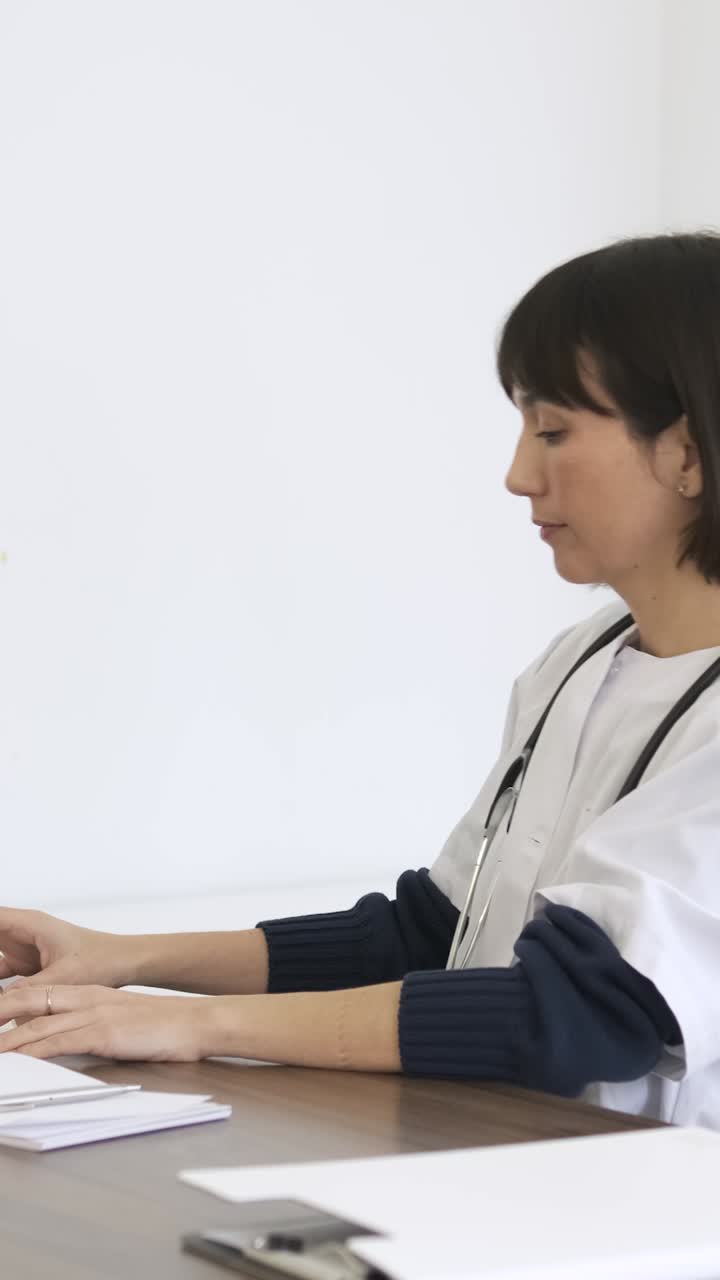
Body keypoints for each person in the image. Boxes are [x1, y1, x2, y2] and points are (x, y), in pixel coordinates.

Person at [2, 229, 720, 1130]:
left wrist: (190, 1024)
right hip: (509, 1161)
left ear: (688, 449)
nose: (516, 474)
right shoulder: (579, 663)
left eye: (553, 430)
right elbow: (435, 934)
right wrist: (119, 958)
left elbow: (578, 1012)